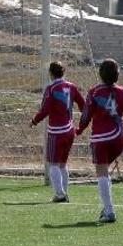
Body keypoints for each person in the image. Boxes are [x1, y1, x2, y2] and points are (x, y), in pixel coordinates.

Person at [76, 59, 123, 223]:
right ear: (118, 75)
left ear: (100, 74)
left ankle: (109, 211)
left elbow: (86, 116)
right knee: (105, 171)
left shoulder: (94, 92)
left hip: (101, 138)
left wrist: (79, 130)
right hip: (119, 137)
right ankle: (107, 207)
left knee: (101, 173)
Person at [30, 61, 85, 203]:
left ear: (50, 73)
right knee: (63, 164)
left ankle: (60, 194)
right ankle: (64, 193)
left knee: (53, 164)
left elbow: (45, 109)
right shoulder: (71, 87)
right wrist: (85, 121)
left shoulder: (51, 89)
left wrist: (34, 120)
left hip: (56, 132)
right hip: (69, 131)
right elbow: (83, 105)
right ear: (64, 72)